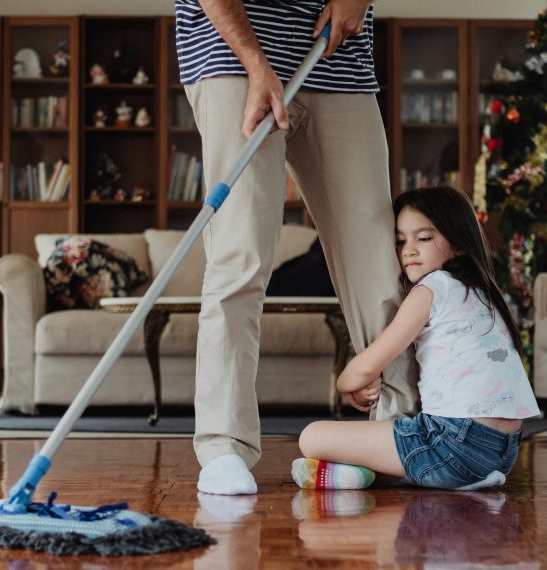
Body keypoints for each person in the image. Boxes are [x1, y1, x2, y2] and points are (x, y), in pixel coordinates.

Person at [176, 0, 419, 496]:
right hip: (233, 55)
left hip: (338, 61)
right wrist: (254, 60)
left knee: (376, 259)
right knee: (240, 255)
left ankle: (406, 432)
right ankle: (224, 446)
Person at [291, 186, 541, 491]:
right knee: (371, 442)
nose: (408, 250)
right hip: (505, 451)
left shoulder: (431, 289)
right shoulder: (484, 292)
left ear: (459, 243)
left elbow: (369, 364)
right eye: (400, 241)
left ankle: (357, 473)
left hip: (453, 445)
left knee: (312, 436)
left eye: (423, 238)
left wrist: (345, 385)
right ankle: (373, 473)